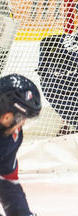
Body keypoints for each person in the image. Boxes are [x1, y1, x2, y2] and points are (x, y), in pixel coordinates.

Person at [0, 74, 42, 216]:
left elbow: (7, 178)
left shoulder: (13, 136)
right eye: (21, 117)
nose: (22, 123)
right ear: (6, 116)